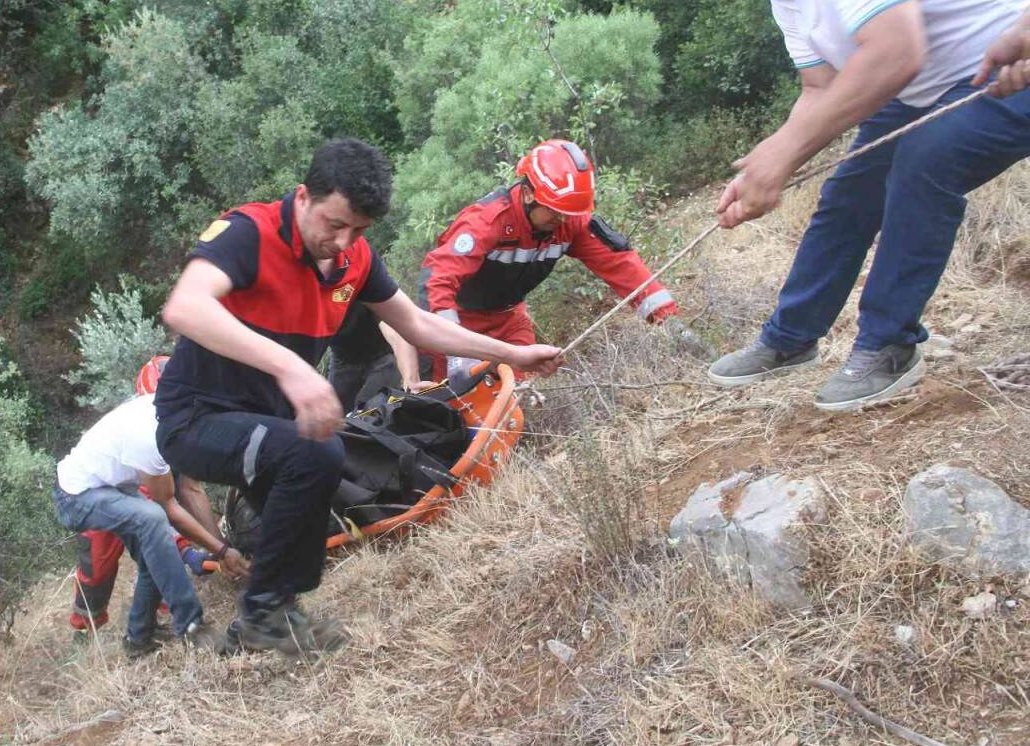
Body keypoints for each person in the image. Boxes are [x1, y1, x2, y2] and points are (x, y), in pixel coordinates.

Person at [153, 138, 561, 656]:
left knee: (320, 481)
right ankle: (262, 618)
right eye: (333, 223)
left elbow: (414, 323)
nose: (343, 241)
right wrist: (292, 371)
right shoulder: (248, 233)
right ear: (303, 198)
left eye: (360, 230)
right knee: (316, 453)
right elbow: (184, 308)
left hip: (265, 421)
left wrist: (512, 354)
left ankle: (267, 619)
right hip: (196, 418)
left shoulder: (355, 261)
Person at [686, 0, 1030, 409]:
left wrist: (782, 154)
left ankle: (889, 344)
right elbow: (820, 89)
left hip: (1010, 64)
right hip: (931, 84)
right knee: (850, 189)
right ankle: (790, 337)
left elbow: (896, 52)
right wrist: (768, 162)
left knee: (925, 157)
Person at [418, 138, 709, 382]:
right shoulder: (486, 222)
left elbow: (624, 267)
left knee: (515, 401)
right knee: (453, 405)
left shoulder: (570, 222)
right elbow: (437, 279)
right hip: (458, 323)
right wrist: (457, 350)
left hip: (509, 321)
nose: (562, 220)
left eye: (569, 213)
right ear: (529, 194)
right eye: (555, 211)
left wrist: (670, 324)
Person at [52, 361, 250, 657]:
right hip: (76, 496)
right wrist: (220, 552)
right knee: (152, 520)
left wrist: (220, 548)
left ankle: (138, 638)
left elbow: (191, 489)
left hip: (113, 487)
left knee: (156, 553)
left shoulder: (179, 418)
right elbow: (167, 507)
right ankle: (192, 627)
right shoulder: (149, 433)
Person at [326, 303, 428, 413]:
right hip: (342, 359)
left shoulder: (368, 288)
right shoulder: (311, 298)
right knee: (333, 414)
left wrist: (411, 380)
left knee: (370, 412)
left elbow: (396, 334)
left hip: (382, 358)